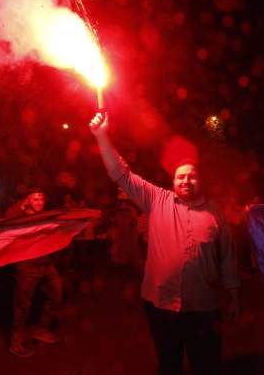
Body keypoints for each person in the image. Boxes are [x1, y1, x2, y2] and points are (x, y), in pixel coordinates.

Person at [89, 112, 240, 375]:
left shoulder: (215, 213)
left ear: (199, 180)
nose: (186, 180)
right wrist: (102, 136)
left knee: (206, 365)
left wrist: (234, 295)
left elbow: (227, 256)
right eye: (181, 176)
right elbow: (120, 173)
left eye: (191, 176)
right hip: (161, 305)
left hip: (203, 307)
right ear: (173, 181)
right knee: (169, 365)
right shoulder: (156, 200)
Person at [0, 188, 63, 357]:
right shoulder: (19, 215)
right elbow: (7, 220)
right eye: (35, 199)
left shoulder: (44, 215)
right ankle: (16, 343)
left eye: (42, 199)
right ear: (28, 201)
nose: (39, 202)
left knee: (56, 295)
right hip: (27, 267)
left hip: (46, 264)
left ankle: (41, 328)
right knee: (22, 305)